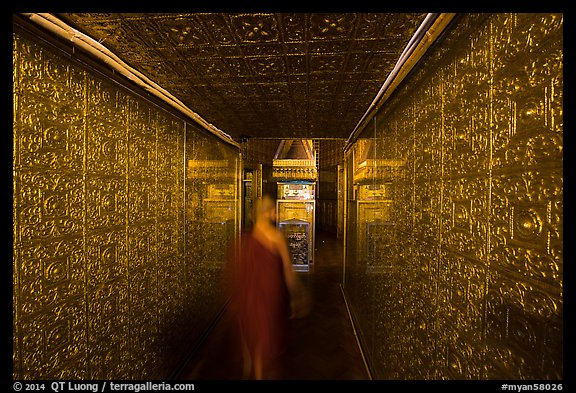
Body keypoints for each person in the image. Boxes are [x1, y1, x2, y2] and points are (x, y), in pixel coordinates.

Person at [226, 194, 309, 380]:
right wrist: (296, 295)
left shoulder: (245, 240)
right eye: (273, 210)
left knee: (253, 340)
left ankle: (253, 367)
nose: (276, 214)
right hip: (270, 296)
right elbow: (288, 270)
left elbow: (237, 273)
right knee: (266, 338)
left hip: (250, 298)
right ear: (268, 212)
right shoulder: (276, 236)